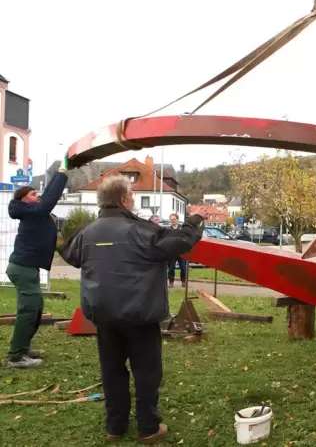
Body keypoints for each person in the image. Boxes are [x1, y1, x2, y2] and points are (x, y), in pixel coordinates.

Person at [59, 174, 205, 444]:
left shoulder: (87, 233)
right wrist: (195, 220)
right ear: (124, 200)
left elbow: (69, 253)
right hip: (140, 316)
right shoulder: (143, 231)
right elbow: (180, 242)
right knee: (147, 372)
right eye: (133, 196)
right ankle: (148, 427)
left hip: (103, 316)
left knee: (112, 371)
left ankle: (115, 427)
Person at [6, 159, 69, 369]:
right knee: (29, 309)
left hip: (27, 267)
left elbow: (47, 197)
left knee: (36, 308)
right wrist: (62, 173)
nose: (38, 196)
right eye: (33, 194)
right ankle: (16, 357)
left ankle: (22, 348)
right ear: (24, 200)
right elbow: (49, 199)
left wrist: (60, 172)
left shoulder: (34, 211)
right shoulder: (31, 213)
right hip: (22, 268)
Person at [167, 213, 188, 288]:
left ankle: (183, 281)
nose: (173, 221)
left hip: (181, 252)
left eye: (174, 219)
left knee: (183, 267)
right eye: (171, 219)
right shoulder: (168, 230)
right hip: (172, 252)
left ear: (177, 220)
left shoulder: (182, 229)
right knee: (171, 268)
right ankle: (171, 282)